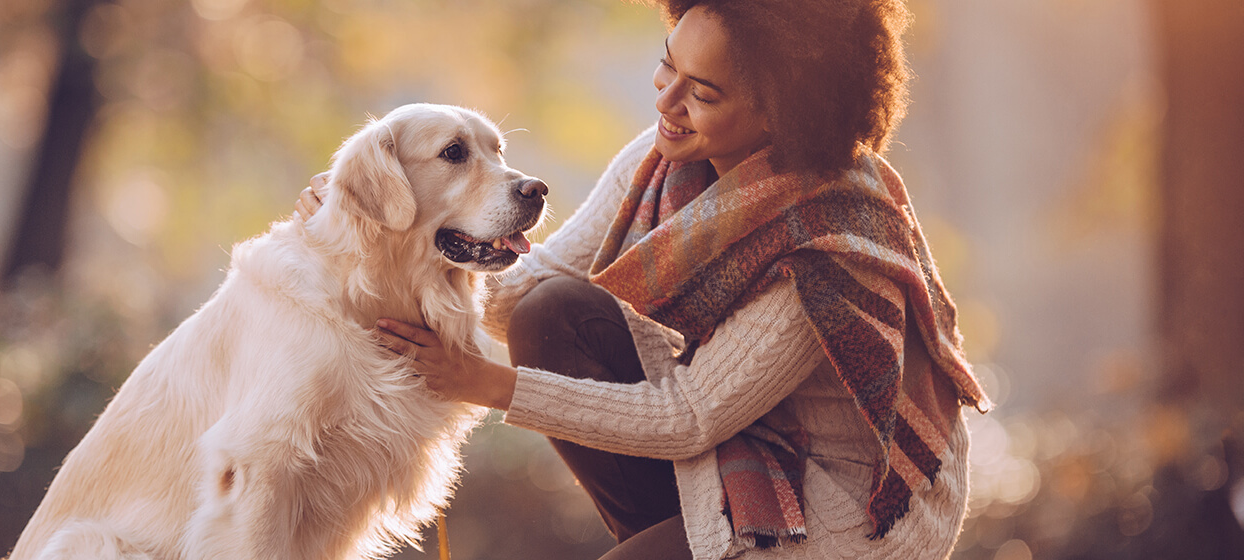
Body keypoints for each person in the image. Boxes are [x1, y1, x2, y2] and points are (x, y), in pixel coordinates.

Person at [296, 1, 990, 558]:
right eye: (668, 68)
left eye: (704, 93)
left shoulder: (827, 244)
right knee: (553, 312)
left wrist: (480, 381)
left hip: (850, 510)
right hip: (744, 449)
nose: (668, 101)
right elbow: (520, 291)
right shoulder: (666, 157)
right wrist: (380, 228)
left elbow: (687, 417)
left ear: (782, 112)